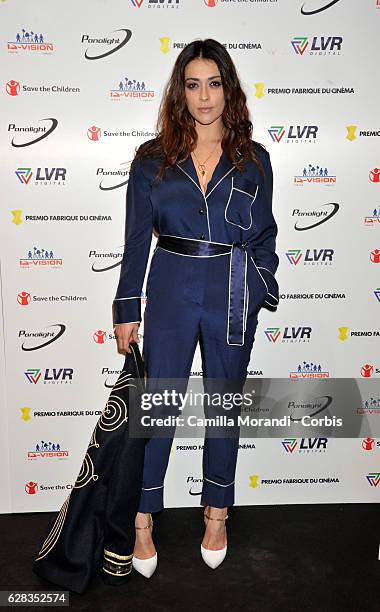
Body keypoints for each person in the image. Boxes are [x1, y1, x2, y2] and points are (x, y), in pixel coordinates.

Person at [113, 38, 279, 577]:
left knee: (224, 404)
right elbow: (138, 240)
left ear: (227, 88)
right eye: (192, 84)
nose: (204, 97)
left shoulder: (255, 160)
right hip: (171, 283)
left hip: (231, 288)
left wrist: (257, 287)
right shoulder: (152, 159)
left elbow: (265, 236)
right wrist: (125, 308)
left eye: (213, 83)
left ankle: (217, 512)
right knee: (159, 402)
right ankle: (142, 518)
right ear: (179, 91)